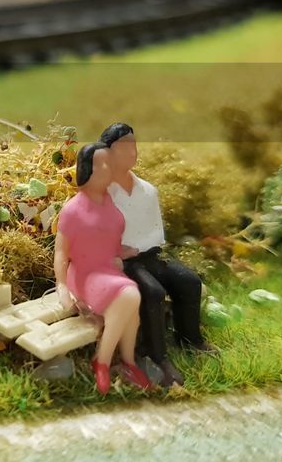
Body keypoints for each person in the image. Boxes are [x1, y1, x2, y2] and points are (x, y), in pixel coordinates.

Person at [100, 122, 214, 388]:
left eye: (133, 145)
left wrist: (137, 247)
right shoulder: (104, 193)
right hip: (123, 263)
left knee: (189, 281)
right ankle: (156, 357)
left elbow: (156, 232)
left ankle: (190, 339)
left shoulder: (148, 191)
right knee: (151, 292)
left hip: (149, 254)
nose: (131, 152)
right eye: (123, 147)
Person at [54, 143, 153, 395]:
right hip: (85, 275)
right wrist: (62, 285)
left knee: (131, 307)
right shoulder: (72, 210)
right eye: (102, 164)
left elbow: (108, 242)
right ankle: (102, 361)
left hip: (109, 273)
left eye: (110, 163)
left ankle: (128, 363)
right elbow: (61, 252)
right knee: (131, 295)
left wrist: (125, 251)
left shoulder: (110, 202)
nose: (109, 169)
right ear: (86, 169)